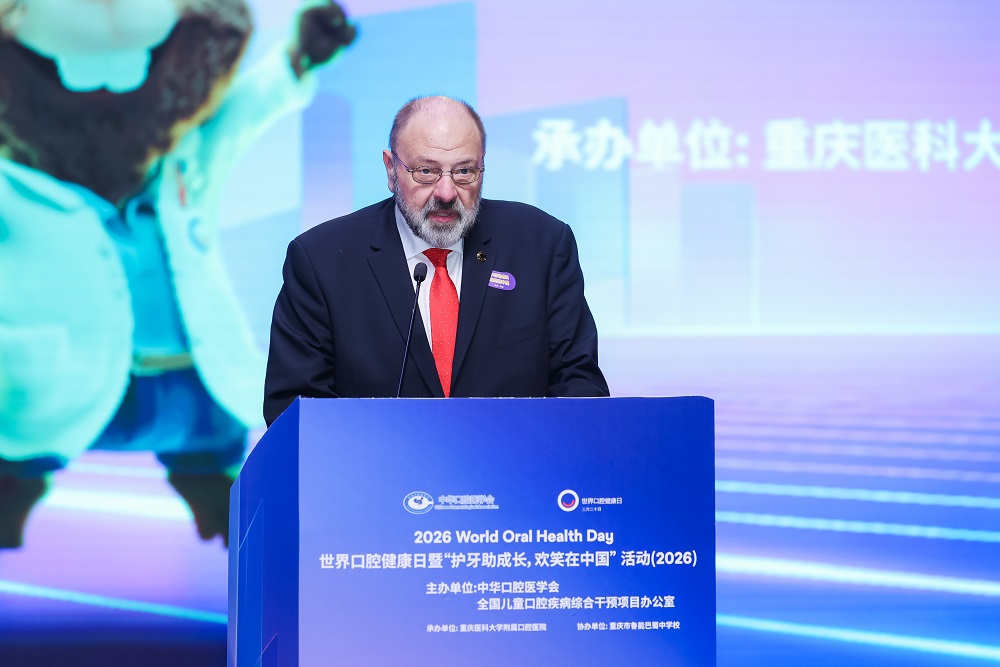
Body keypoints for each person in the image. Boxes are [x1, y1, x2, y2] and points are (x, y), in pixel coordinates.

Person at [263, 95, 608, 424]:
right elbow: (294, 411)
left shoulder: (542, 245)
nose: (446, 192)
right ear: (390, 169)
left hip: (516, 461)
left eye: (464, 171)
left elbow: (580, 384)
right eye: (426, 171)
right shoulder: (322, 261)